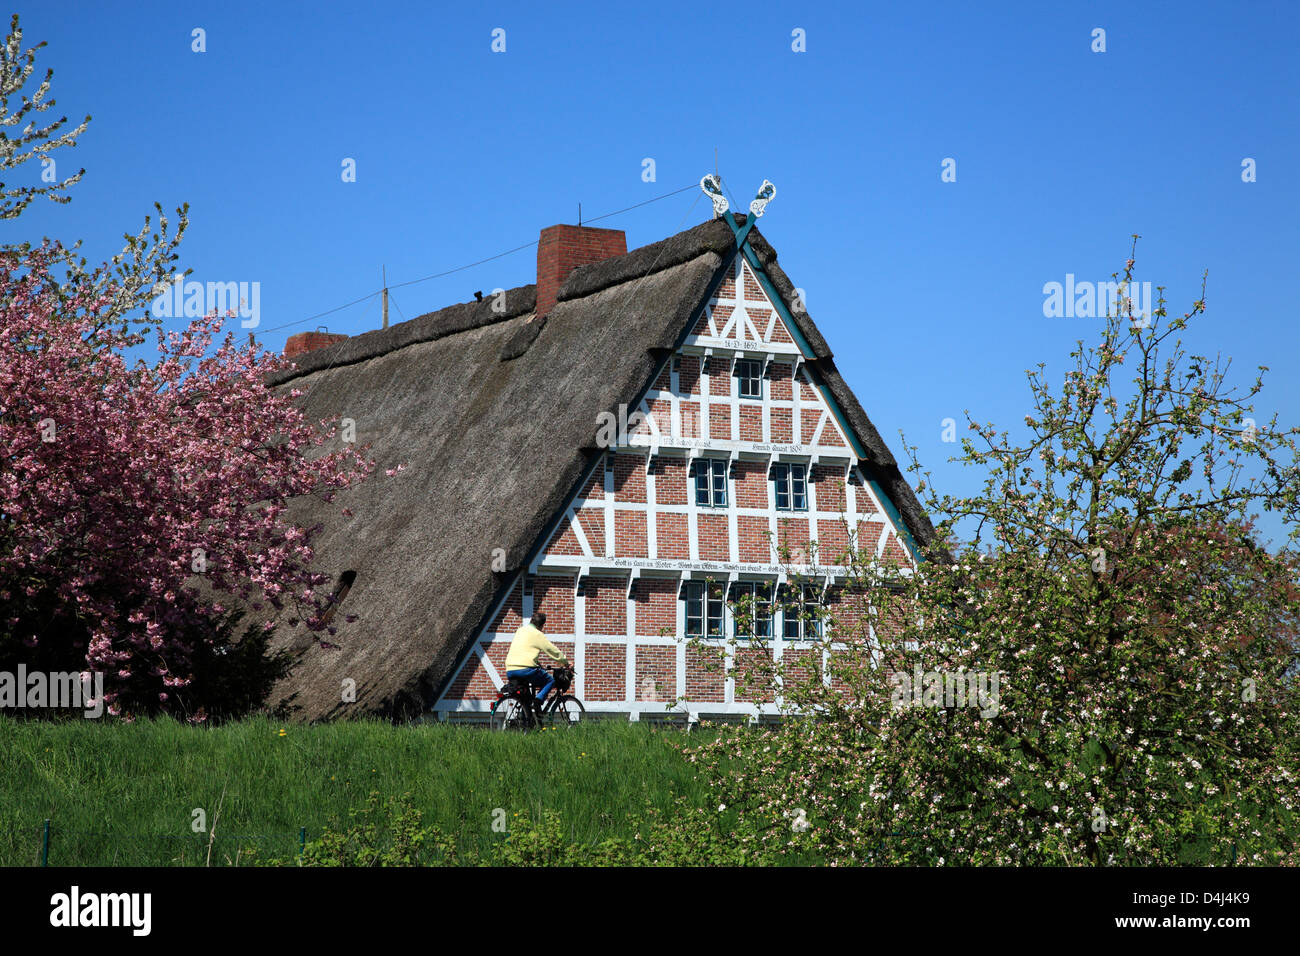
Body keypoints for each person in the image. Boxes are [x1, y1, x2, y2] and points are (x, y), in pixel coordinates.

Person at [504, 611, 569, 710]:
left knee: (526, 698)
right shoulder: (537, 634)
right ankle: (538, 701)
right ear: (542, 625)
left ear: (531, 621)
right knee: (550, 681)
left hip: (510, 670)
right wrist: (566, 663)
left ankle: (528, 719)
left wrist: (538, 663)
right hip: (526, 670)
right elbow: (552, 650)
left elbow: (524, 650)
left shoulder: (520, 630)